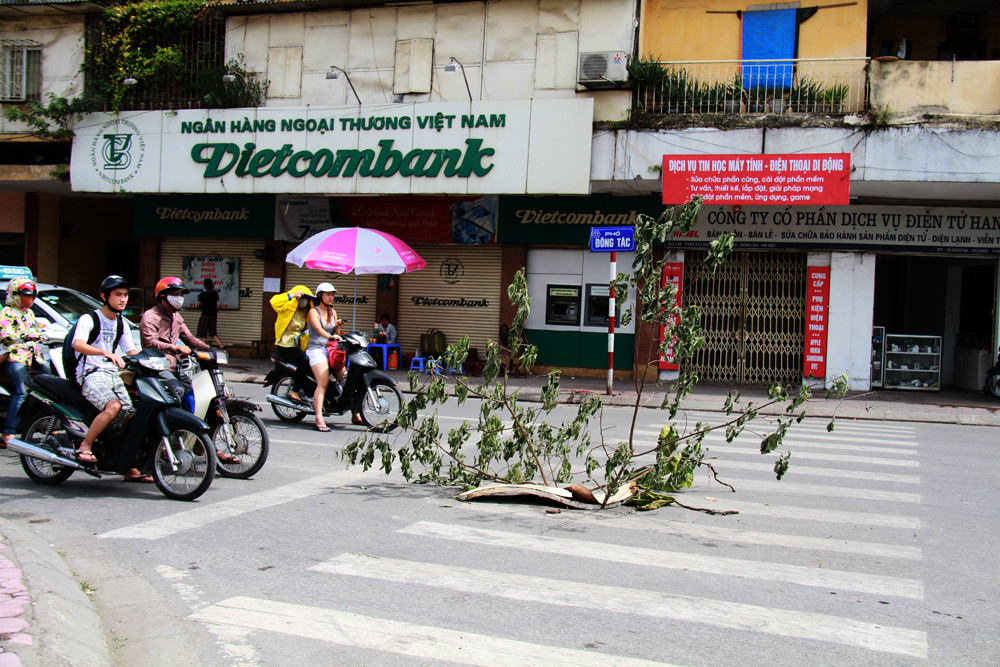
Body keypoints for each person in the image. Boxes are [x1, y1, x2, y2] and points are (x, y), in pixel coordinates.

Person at [73, 275, 148, 482]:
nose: (123, 299)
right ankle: (85, 445)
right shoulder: (90, 319)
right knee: (114, 407)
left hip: (113, 375)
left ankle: (128, 467)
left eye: (125, 295)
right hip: (91, 373)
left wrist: (154, 360)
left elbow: (131, 351)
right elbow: (77, 344)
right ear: (104, 296)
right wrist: (103, 353)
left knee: (131, 416)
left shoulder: (122, 323)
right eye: (118, 295)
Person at [0, 278, 51, 447]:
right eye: (26, 296)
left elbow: (36, 329)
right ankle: (8, 432)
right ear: (15, 294)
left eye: (32, 296)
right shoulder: (7, 312)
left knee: (52, 385)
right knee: (21, 391)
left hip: (33, 356)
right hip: (14, 357)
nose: (30, 300)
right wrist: (23, 337)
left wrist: (41, 334)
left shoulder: (29, 313)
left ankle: (47, 425)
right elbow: (5, 334)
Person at [305, 283, 359, 430]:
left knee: (347, 380)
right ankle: (318, 418)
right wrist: (330, 336)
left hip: (330, 350)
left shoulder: (332, 312)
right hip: (316, 350)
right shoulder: (313, 312)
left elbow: (336, 333)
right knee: (323, 382)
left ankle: (355, 413)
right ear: (319, 295)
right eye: (328, 294)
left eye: (332, 294)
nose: (331, 297)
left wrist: (338, 327)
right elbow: (318, 329)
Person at [140, 276, 211, 373]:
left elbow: (189, 338)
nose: (179, 298)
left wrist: (207, 348)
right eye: (176, 295)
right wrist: (173, 347)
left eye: (181, 295)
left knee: (191, 387)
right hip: (157, 367)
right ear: (162, 297)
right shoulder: (150, 316)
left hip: (175, 365)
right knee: (178, 389)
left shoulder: (176, 316)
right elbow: (150, 342)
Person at [269, 284, 314, 403]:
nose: (304, 301)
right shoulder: (287, 307)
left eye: (306, 299)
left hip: (298, 344)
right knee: (304, 360)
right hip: (285, 344)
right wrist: (291, 295)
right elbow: (273, 302)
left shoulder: (306, 311)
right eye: (302, 298)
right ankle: (294, 391)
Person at [197, 278, 224, 349]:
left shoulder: (203, 295)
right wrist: (212, 287)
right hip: (213, 315)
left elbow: (198, 305)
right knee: (213, 332)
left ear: (204, 286)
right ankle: (221, 345)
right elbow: (212, 293)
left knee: (203, 333)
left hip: (205, 315)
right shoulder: (215, 294)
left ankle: (204, 347)